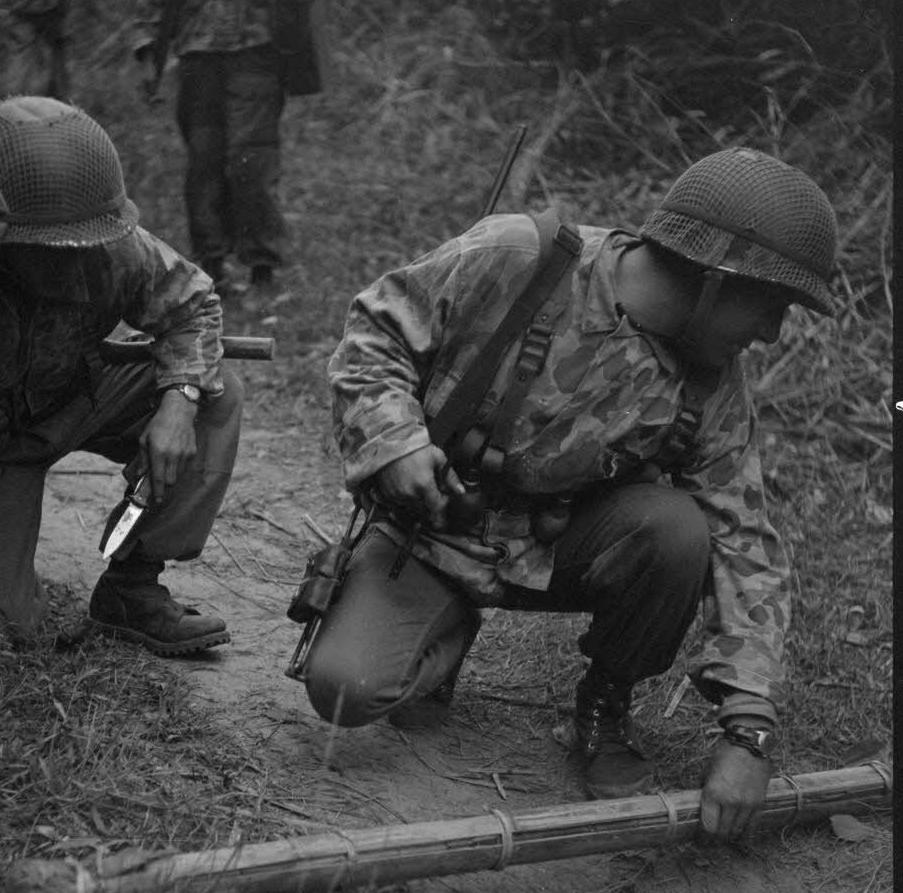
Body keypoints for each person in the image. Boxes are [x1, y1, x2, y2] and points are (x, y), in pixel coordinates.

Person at [299, 148, 839, 843]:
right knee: (343, 688)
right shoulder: (522, 255)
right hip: (435, 526)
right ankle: (445, 622)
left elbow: (745, 537)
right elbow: (374, 331)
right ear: (714, 280)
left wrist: (749, 728)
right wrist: (397, 441)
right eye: (770, 306)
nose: (771, 332)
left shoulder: (712, 376)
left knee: (679, 529)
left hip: (558, 548)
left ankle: (606, 701)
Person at [0, 96, 242, 695]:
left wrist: (179, 401)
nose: (75, 267)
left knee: (216, 394)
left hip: (67, 403)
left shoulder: (104, 242)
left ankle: (132, 588)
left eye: (85, 245)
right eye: (50, 253)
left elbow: (193, 303)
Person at [133, 0, 324, 302]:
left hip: (256, 39)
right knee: (204, 159)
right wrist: (148, 44)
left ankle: (262, 270)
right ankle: (212, 267)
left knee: (251, 157)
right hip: (197, 44)